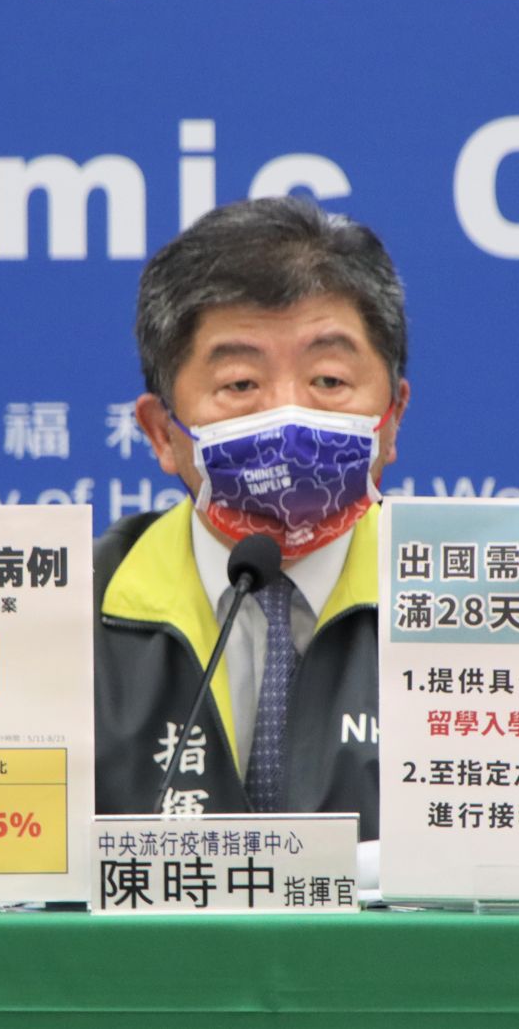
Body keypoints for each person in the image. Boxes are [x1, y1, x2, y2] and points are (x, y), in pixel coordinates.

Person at [94, 196, 409, 841]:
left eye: (328, 380)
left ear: (392, 419)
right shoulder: (70, 609)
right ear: (161, 433)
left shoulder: (476, 604)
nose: (287, 416)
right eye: (240, 385)